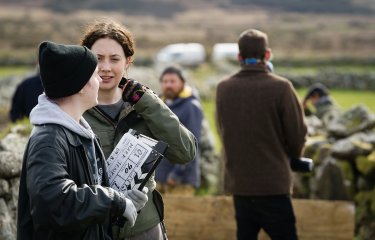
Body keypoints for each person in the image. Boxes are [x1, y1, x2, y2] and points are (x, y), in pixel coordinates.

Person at [17, 41, 149, 240]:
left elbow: (83, 210)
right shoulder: (49, 139)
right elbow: (53, 204)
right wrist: (113, 201)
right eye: (95, 74)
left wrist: (121, 202)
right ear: (80, 86)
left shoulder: (80, 132)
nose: (100, 79)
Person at [81, 19, 197, 240]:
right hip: (92, 230)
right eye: (97, 59)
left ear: (128, 62)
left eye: (114, 59)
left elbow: (185, 153)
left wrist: (148, 103)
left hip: (144, 229)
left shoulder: (144, 106)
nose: (105, 67)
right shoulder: (74, 111)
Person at [215, 29, 307, 240]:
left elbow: (223, 130)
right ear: (267, 55)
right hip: (273, 184)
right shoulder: (282, 88)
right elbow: (297, 135)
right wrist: (293, 156)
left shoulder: (223, 88)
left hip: (240, 185)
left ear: (239, 57)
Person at [155, 66, 204, 195]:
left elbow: (194, 144)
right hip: (159, 178)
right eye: (165, 81)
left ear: (182, 83)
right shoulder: (159, 105)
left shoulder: (191, 106)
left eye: (172, 81)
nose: (168, 85)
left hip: (181, 181)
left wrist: (176, 174)